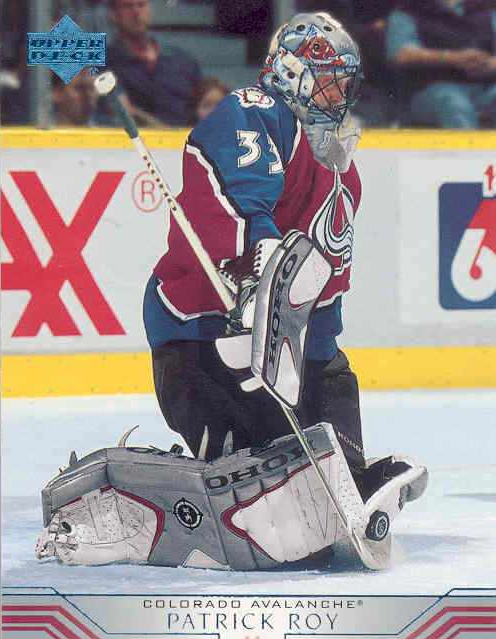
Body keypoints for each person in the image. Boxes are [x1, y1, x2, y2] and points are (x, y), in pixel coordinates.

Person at [143, 12, 423, 502]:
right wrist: (263, 256)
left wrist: (320, 374)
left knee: (331, 378)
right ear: (294, 74)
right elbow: (241, 189)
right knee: (250, 467)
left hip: (280, 342)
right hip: (200, 331)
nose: (342, 96)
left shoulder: (342, 173)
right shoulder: (254, 111)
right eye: (332, 82)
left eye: (345, 84)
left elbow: (326, 283)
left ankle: (346, 482)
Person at [387, 0, 496, 128]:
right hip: (432, 91)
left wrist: (488, 65)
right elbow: (401, 54)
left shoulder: (486, 10)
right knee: (452, 102)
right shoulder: (408, 11)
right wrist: (455, 58)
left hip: (484, 89)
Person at [107, 0, 203, 127]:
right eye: (127, 6)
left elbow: (202, 107)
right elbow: (123, 112)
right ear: (113, 15)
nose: (136, 12)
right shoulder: (104, 63)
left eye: (141, 5)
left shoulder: (183, 61)